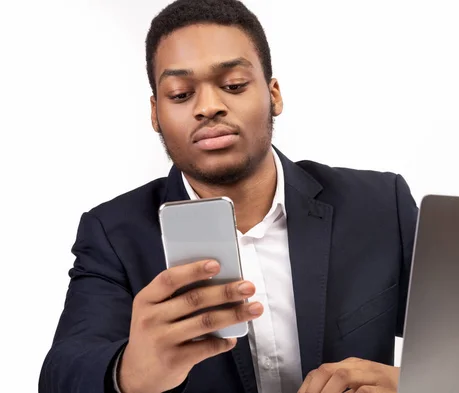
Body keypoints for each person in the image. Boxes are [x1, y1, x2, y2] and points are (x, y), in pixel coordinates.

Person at [39, 0, 418, 392]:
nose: (208, 107)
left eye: (233, 85)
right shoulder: (113, 234)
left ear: (274, 94)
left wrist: (414, 385)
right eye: (182, 94)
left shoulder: (379, 205)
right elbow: (61, 374)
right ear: (155, 113)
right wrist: (130, 373)